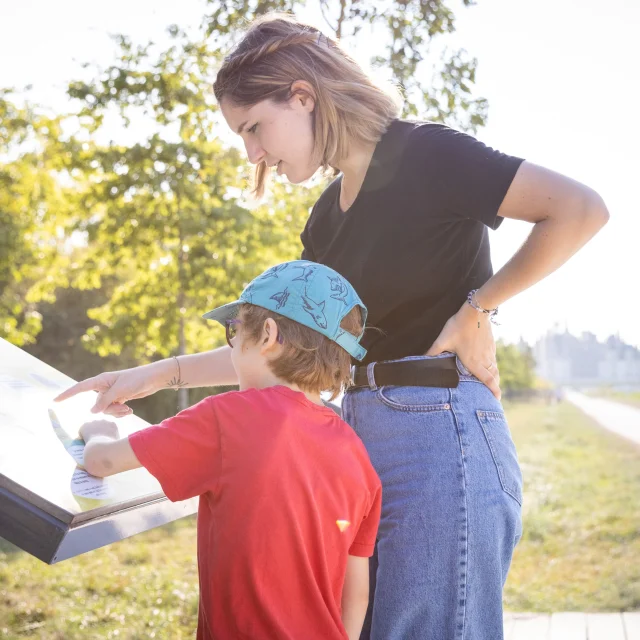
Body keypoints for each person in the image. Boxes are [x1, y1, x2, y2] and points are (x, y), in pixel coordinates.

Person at [56, 14, 610, 640]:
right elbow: (279, 345)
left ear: (302, 95)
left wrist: (478, 309)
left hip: (441, 433)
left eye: (254, 128)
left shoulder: (428, 153)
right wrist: (149, 376)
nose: (253, 153)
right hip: (358, 431)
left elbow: (579, 210)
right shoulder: (323, 221)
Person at [74, 260, 382, 640]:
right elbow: (358, 595)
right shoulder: (358, 455)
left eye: (233, 330)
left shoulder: (228, 418)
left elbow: (101, 462)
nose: (233, 344)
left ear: (267, 335)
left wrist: (98, 430)